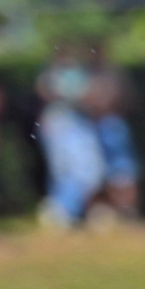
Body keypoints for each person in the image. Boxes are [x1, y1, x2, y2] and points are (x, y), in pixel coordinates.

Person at [35, 45, 106, 227]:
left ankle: (72, 210)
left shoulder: (78, 74)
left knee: (87, 170)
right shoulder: (51, 76)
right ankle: (61, 210)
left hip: (77, 125)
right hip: (61, 126)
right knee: (65, 170)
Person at [86, 49, 139, 219]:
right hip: (99, 125)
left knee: (122, 169)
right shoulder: (93, 74)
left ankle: (127, 209)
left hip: (112, 123)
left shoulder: (111, 74)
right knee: (106, 170)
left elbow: (125, 98)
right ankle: (118, 209)